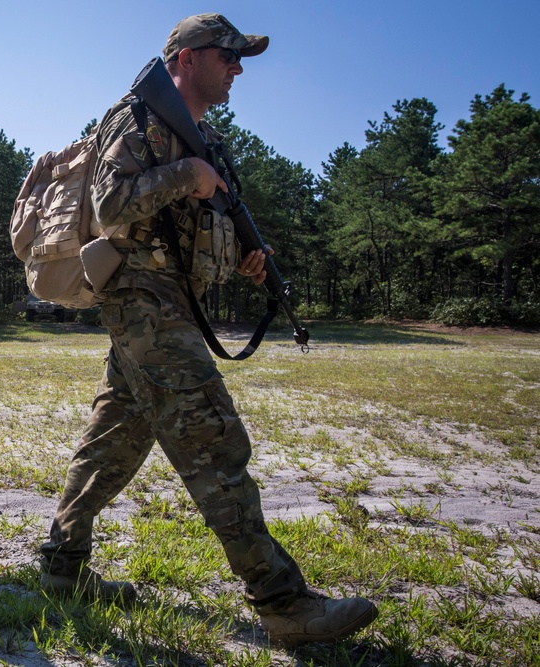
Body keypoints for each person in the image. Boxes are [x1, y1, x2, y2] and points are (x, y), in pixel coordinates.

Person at [38, 14, 378, 646]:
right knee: (213, 440)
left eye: (240, 57)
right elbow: (110, 208)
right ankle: (282, 602)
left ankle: (60, 568)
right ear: (187, 58)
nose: (239, 67)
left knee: (115, 439)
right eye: (229, 55)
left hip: (170, 300)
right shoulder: (136, 116)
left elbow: (195, 226)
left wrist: (240, 257)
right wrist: (185, 178)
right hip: (143, 299)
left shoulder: (203, 136)